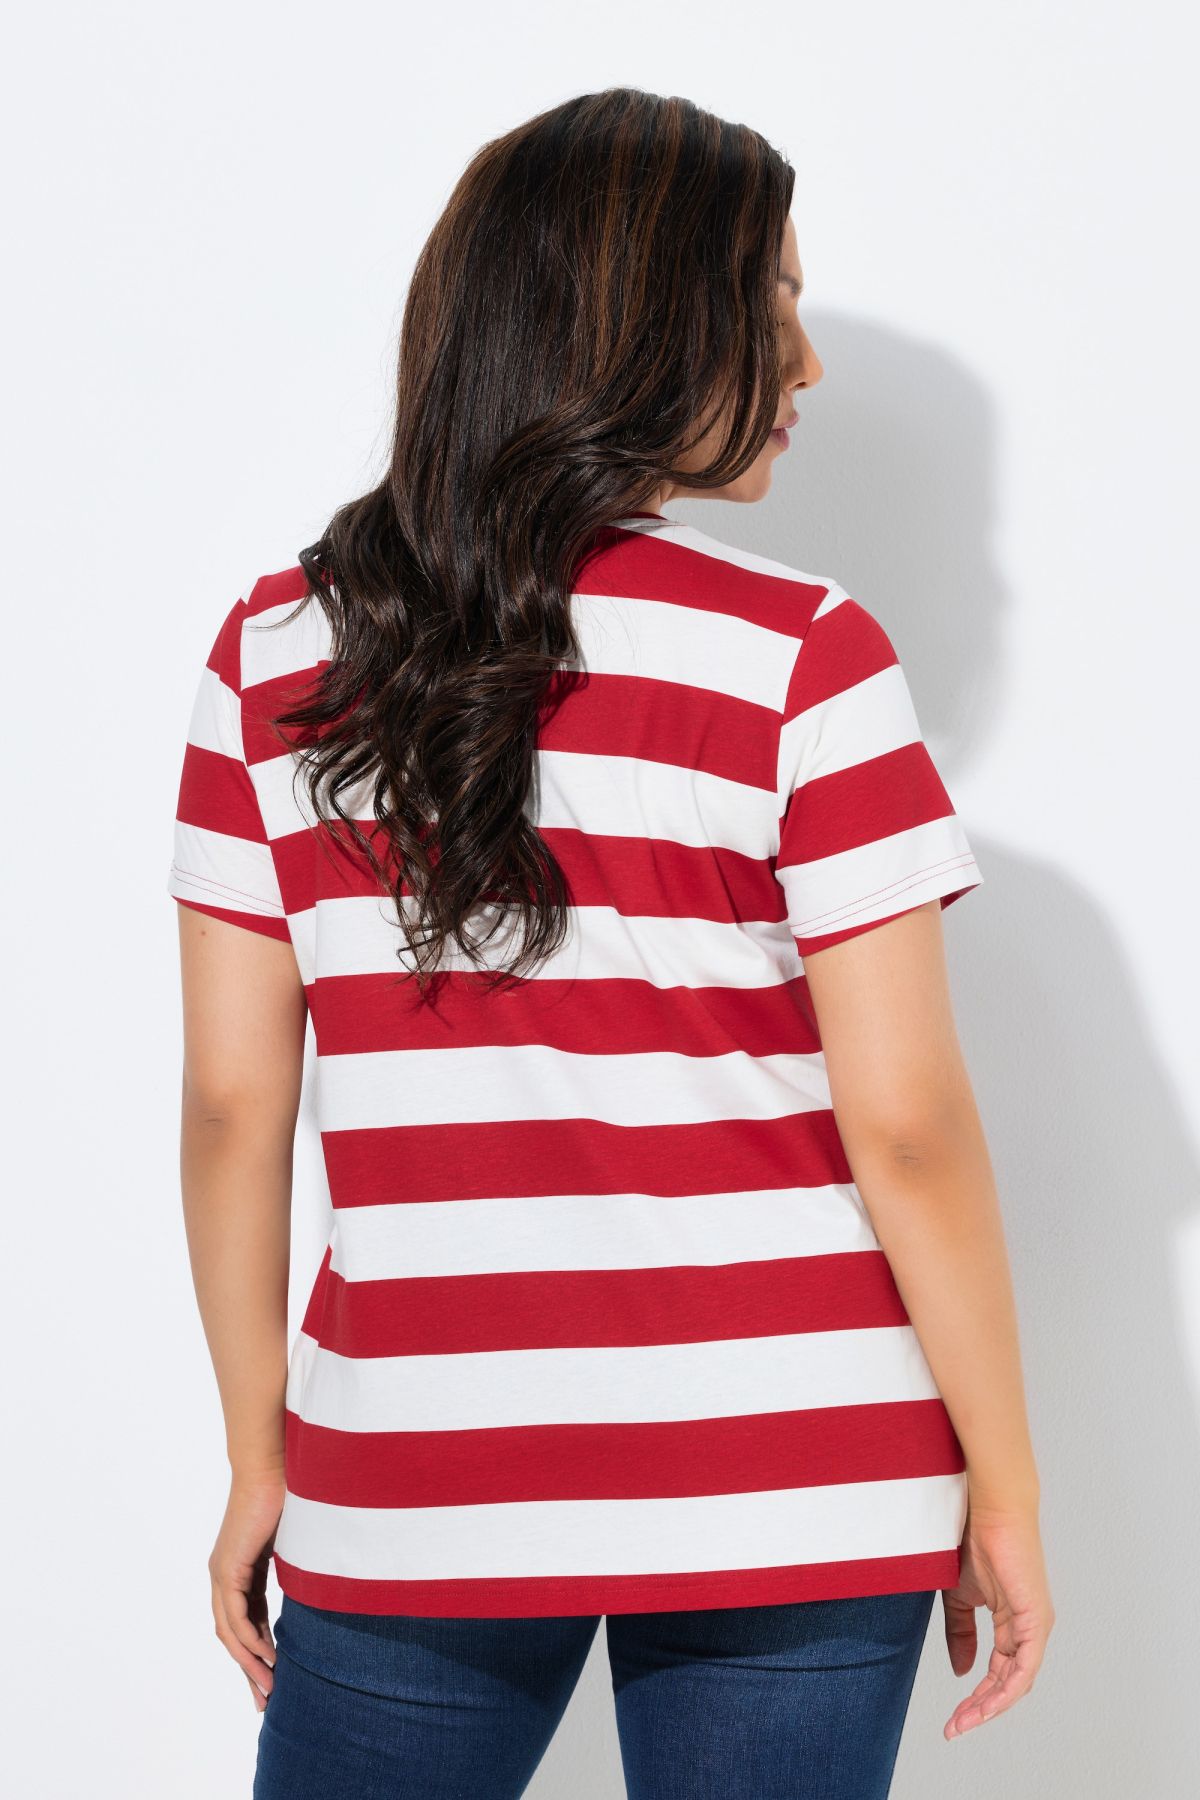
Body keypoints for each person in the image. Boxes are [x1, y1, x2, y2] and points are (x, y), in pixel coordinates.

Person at [168, 87, 1054, 1800]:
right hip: (799, 1468)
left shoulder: (276, 655)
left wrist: (257, 1450)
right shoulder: (803, 658)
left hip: (416, 1467)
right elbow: (909, 1124)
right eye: (771, 300)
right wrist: (1002, 1485)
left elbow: (229, 1105)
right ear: (643, 317)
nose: (805, 363)